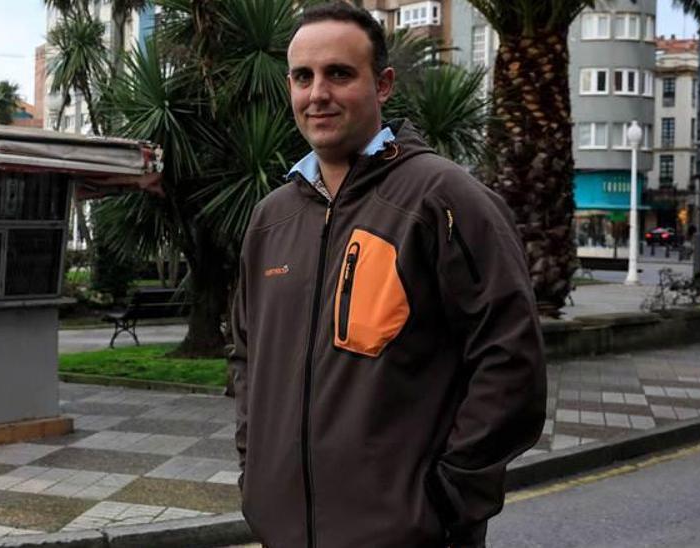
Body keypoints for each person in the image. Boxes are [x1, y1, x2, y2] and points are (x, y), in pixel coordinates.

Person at [229, 3, 546, 547]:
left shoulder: (443, 199)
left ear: (384, 85)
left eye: (340, 74)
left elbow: (511, 362)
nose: (317, 94)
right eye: (303, 77)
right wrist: (256, 477)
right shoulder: (271, 218)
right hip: (283, 534)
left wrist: (444, 502)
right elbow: (245, 356)